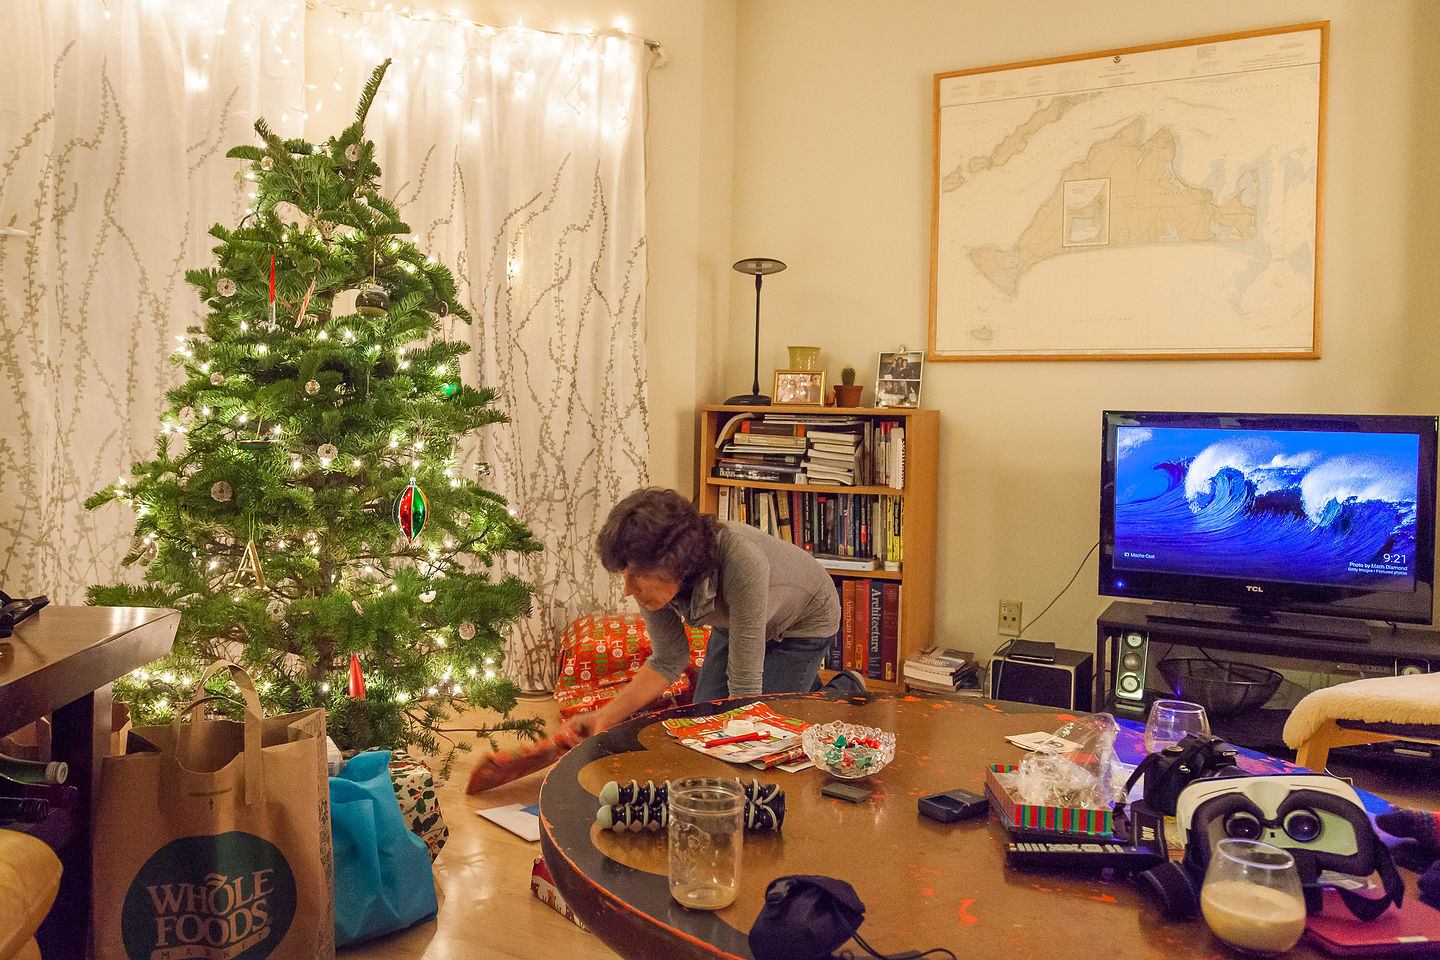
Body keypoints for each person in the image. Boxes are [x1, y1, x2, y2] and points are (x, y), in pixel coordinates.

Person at [572, 487, 858, 736]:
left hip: (804, 620)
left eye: (635, 575)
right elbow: (668, 659)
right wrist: (604, 718)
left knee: (772, 728)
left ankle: (845, 689)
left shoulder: (743, 563)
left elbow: (744, 688)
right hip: (738, 621)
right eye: (624, 574)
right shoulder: (654, 581)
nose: (627, 589)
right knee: (704, 720)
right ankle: (796, 686)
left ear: (674, 561)